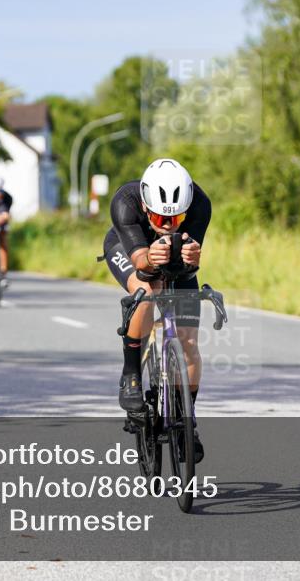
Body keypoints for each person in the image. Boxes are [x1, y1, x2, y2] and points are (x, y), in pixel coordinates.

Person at [101, 158, 210, 462]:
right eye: (160, 217)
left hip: (173, 256)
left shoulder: (200, 204)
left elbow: (190, 261)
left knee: (188, 342)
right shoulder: (125, 202)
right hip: (129, 249)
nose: (166, 224)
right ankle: (131, 374)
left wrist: (192, 256)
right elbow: (141, 263)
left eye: (175, 219)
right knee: (148, 290)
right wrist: (150, 256)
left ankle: (187, 422)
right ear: (147, 206)